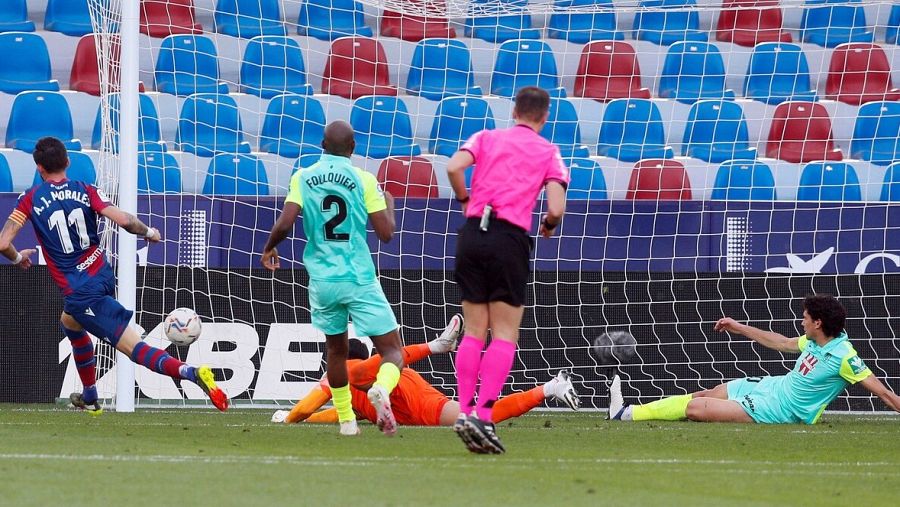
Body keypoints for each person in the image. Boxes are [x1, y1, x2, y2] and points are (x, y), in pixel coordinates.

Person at [0, 137, 228, 414]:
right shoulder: (86, 190)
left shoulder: (29, 199)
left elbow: (3, 243)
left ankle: (191, 372)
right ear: (68, 162)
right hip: (102, 275)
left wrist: (17, 257)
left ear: (39, 168)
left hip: (82, 291)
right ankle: (90, 395)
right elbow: (124, 220)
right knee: (69, 323)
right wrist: (150, 233)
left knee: (134, 349)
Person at [445, 86, 569, 454]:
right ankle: (483, 414)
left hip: (471, 235)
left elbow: (453, 167)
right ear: (544, 117)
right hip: (509, 240)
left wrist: (466, 199)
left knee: (473, 330)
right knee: (503, 333)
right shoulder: (549, 152)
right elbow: (557, 209)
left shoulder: (485, 137)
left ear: (513, 111)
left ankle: (464, 409)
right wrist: (547, 224)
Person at [261, 120, 404, 437]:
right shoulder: (364, 179)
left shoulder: (303, 176)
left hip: (323, 280)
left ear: (322, 146)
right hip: (358, 276)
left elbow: (286, 221)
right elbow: (386, 234)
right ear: (353, 148)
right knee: (394, 351)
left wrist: (270, 247)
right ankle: (380, 388)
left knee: (336, 351)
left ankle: (347, 422)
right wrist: (390, 206)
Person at [608, 294, 900, 424]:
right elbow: (782, 343)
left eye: (805, 318)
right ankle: (625, 412)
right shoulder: (815, 341)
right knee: (707, 394)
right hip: (772, 387)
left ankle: (626, 415)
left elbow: (884, 393)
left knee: (696, 408)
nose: (802, 322)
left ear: (818, 323)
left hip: (778, 410)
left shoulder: (844, 356)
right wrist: (738, 327)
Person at [271, 316, 580, 428]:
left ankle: (437, 345)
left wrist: (289, 417)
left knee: (369, 371)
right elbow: (332, 414)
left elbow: (306, 407)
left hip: (407, 398)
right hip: (411, 388)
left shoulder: (342, 372)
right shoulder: (352, 397)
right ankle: (549, 388)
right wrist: (305, 418)